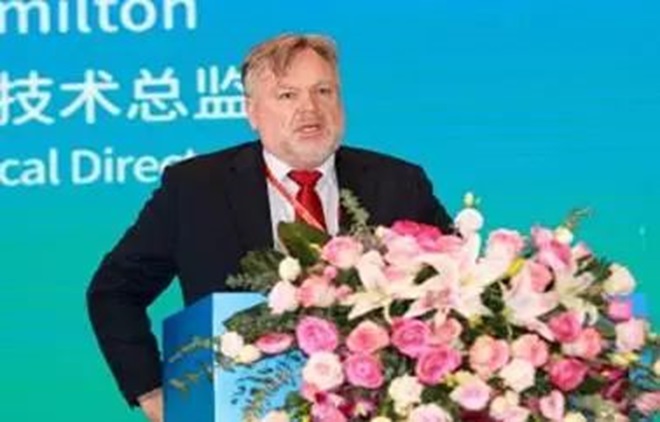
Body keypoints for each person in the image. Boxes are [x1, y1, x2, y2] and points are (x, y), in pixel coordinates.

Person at [86, 33, 454, 422]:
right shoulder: (195, 188)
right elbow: (114, 290)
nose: (309, 108)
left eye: (323, 91)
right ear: (252, 112)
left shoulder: (399, 183)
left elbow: (457, 286)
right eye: (287, 95)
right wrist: (151, 390)